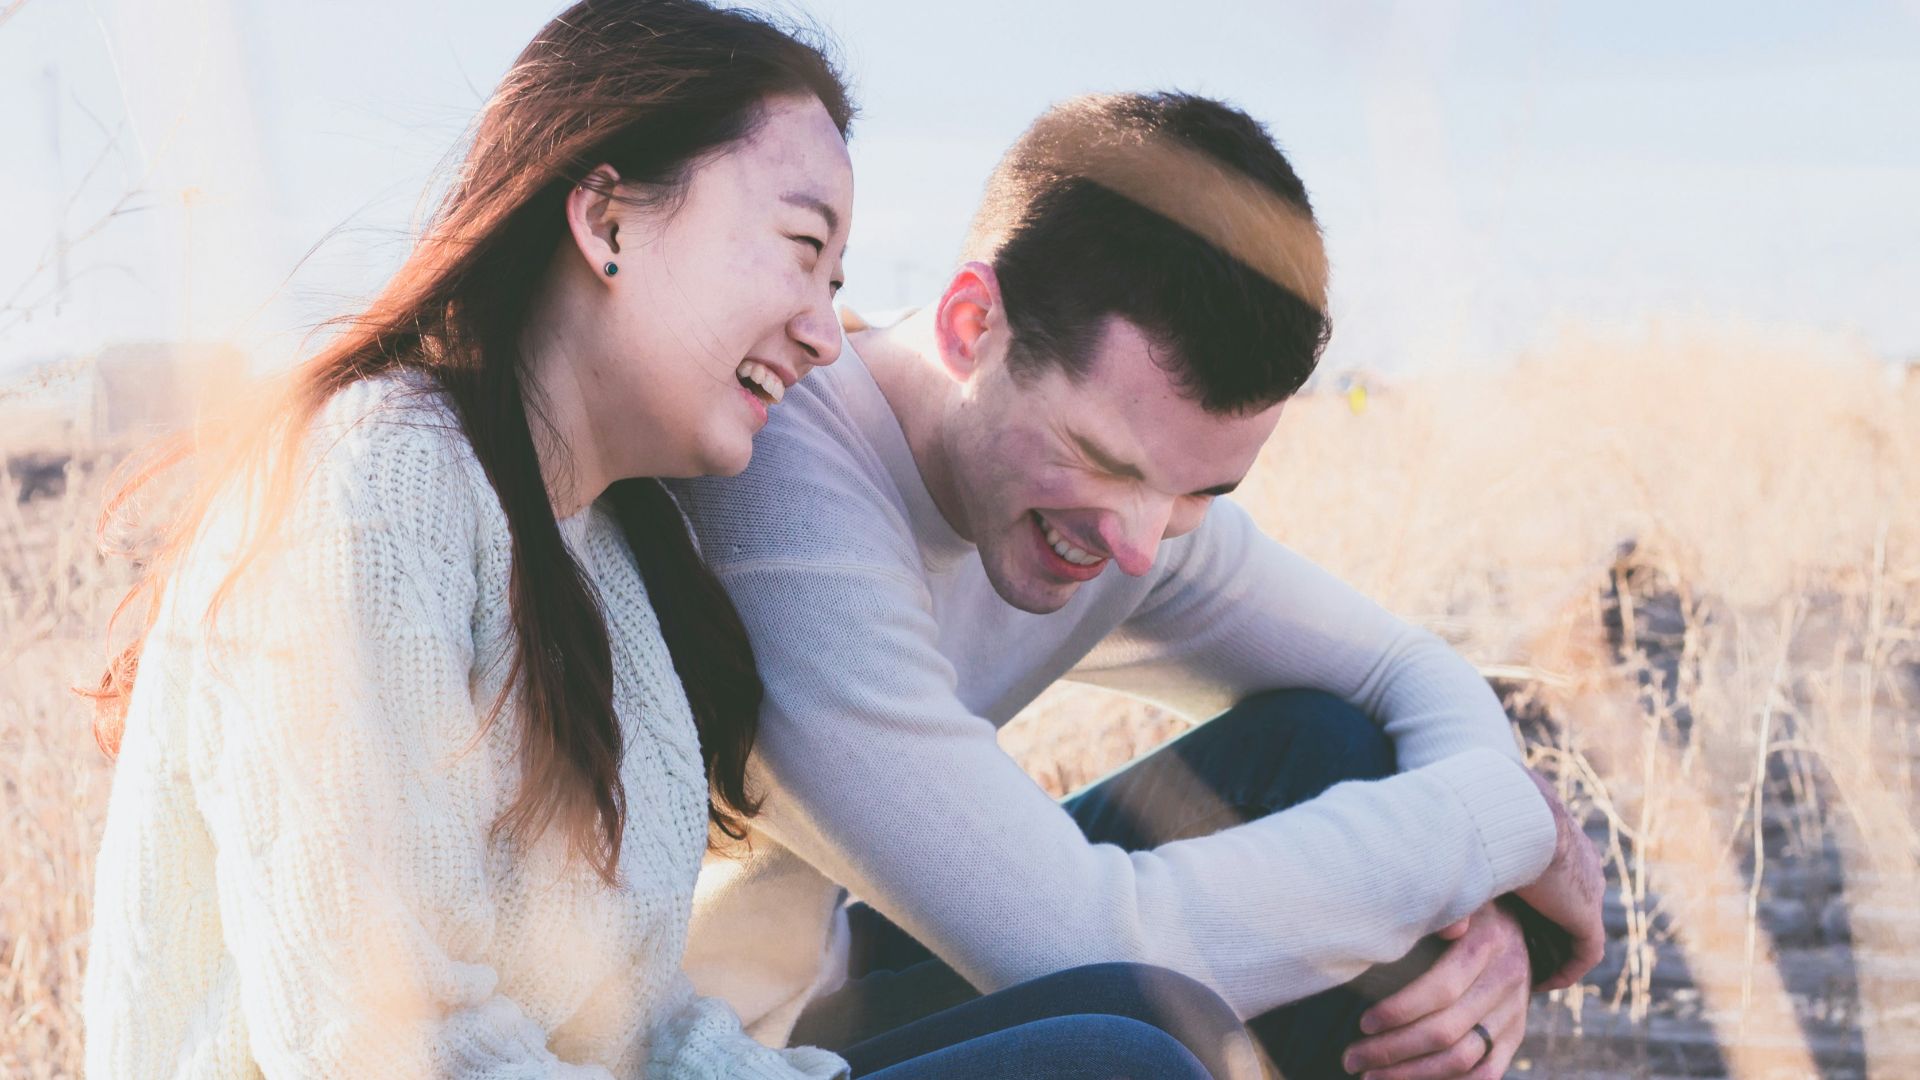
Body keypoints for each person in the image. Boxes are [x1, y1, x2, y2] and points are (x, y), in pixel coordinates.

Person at [80, 5, 1249, 1077]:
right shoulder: (379, 482)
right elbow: (382, 1046)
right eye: (801, 249)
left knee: (1155, 1014)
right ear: (606, 219)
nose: (824, 334)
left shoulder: (602, 551)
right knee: (1118, 1061)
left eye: (838, 280)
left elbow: (635, 1029)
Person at [668, 91, 1607, 1080]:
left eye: (1201, 489)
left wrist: (1477, 908)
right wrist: (1503, 830)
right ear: (971, 324)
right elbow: (1085, 944)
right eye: (1104, 460)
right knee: (1134, 1054)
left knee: (1328, 745)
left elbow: (1402, 668)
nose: (1139, 544)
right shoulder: (786, 494)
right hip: (700, 1046)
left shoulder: (1123, 510)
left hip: (832, 978)